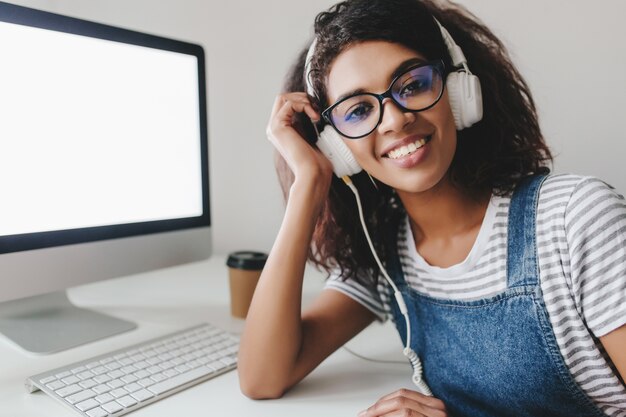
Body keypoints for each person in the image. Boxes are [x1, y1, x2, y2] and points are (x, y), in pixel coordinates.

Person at [237, 0, 626, 415]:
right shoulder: (387, 250)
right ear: (336, 148)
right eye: (359, 110)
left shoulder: (576, 219)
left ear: (458, 89)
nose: (394, 120)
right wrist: (308, 185)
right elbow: (263, 377)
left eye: (412, 85)